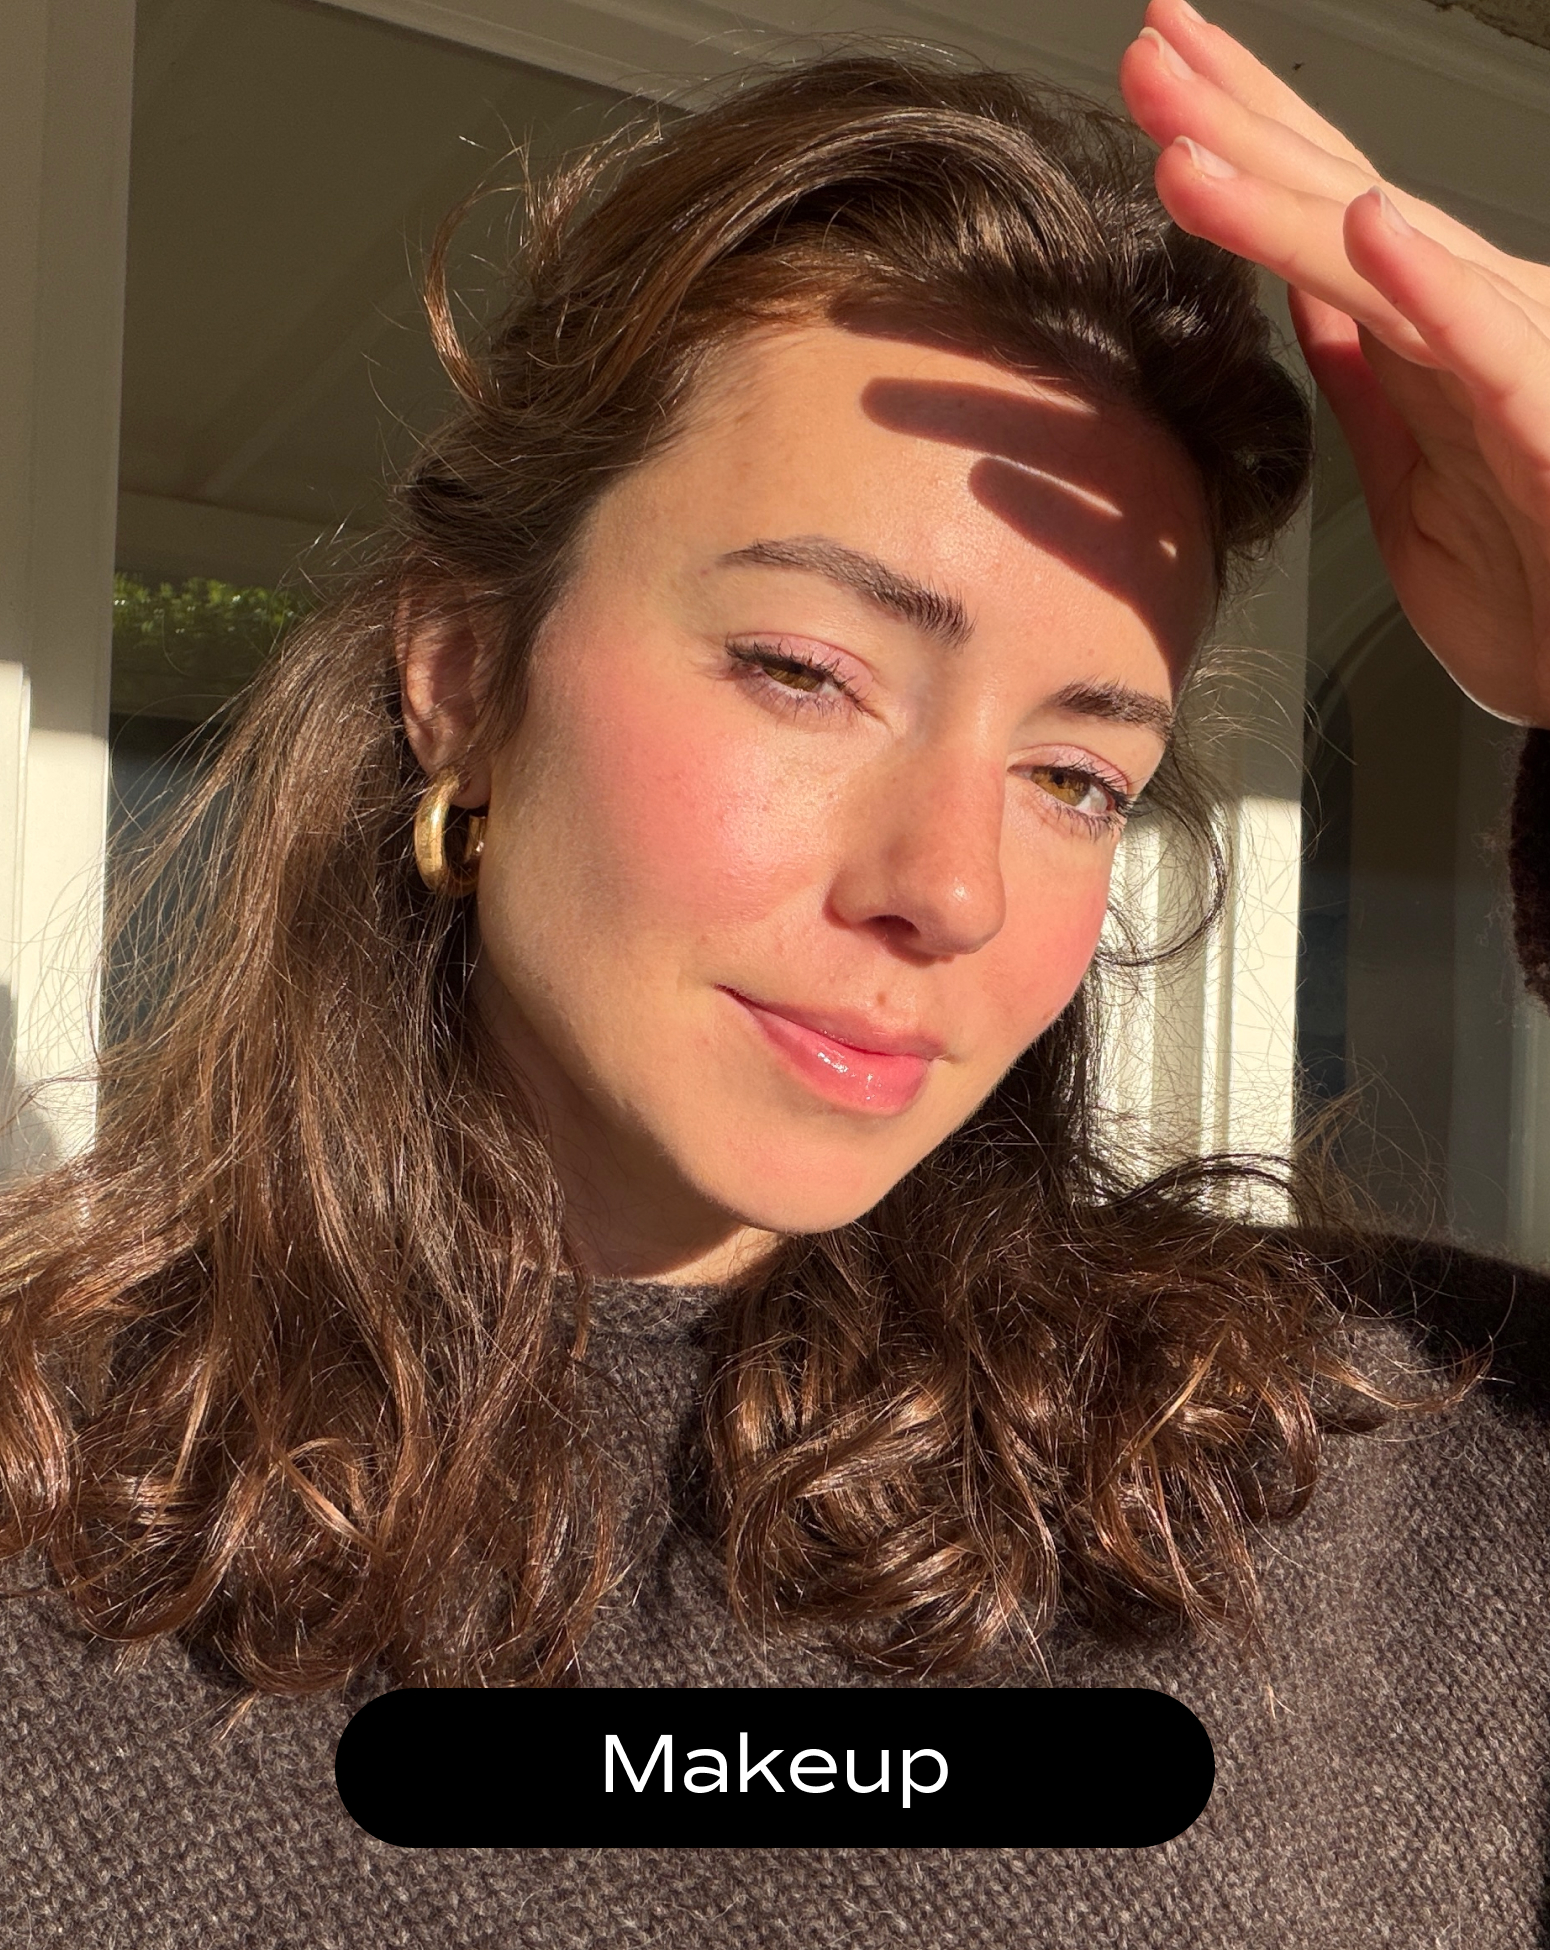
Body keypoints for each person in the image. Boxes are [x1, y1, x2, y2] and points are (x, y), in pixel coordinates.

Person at [0, 1, 1546, 1941]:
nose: (948, 887)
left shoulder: (1352, 1482)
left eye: (1074, 776)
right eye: (806, 672)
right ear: (462, 671)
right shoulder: (52, 1530)